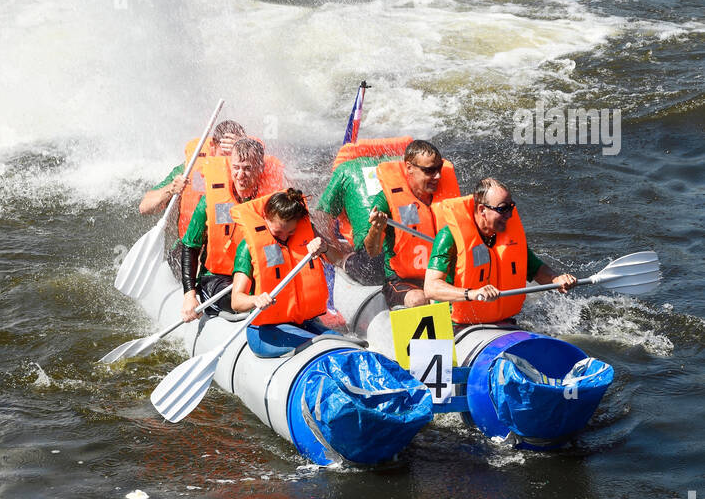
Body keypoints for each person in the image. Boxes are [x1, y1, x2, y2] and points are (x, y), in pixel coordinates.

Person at [424, 177, 576, 328]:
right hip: (455, 324)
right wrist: (471, 293)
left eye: (511, 208)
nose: (509, 215)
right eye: (502, 209)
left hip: (501, 322)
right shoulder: (448, 236)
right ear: (482, 210)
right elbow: (431, 288)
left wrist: (556, 280)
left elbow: (536, 270)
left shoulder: (509, 238)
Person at [230, 189, 346, 357]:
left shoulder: (307, 233)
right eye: (278, 232)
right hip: (267, 331)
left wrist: (325, 247)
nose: (284, 237)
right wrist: (256, 299)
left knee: (340, 341)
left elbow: (338, 260)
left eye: (290, 232)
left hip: (305, 323)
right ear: (266, 219)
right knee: (325, 348)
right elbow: (236, 300)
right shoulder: (247, 247)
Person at [357, 141, 459, 305]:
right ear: (409, 167)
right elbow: (373, 251)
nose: (438, 176)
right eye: (429, 171)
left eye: (439, 168)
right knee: (418, 299)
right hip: (403, 281)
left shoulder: (450, 196)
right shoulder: (385, 200)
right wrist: (377, 228)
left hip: (442, 276)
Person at [179, 138, 267, 322]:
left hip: (256, 276)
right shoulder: (211, 200)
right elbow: (190, 246)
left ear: (260, 168)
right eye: (236, 167)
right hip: (216, 279)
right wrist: (189, 295)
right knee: (245, 297)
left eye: (247, 168)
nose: (240, 175)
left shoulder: (270, 202)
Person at [139, 119, 246, 229]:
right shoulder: (190, 168)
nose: (228, 161)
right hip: (190, 243)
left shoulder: (249, 171)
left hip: (234, 243)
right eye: (224, 155)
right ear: (213, 149)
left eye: (233, 157)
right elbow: (144, 207)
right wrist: (172, 189)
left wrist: (244, 148)